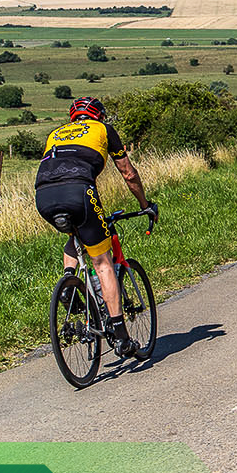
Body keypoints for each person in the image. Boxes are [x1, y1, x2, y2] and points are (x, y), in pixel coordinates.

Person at [34, 97, 156, 358]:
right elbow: (128, 174)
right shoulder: (103, 129)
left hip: (43, 195)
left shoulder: (56, 133)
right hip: (78, 192)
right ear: (98, 116)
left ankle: (69, 281)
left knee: (76, 233)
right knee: (102, 263)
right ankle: (121, 336)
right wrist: (145, 205)